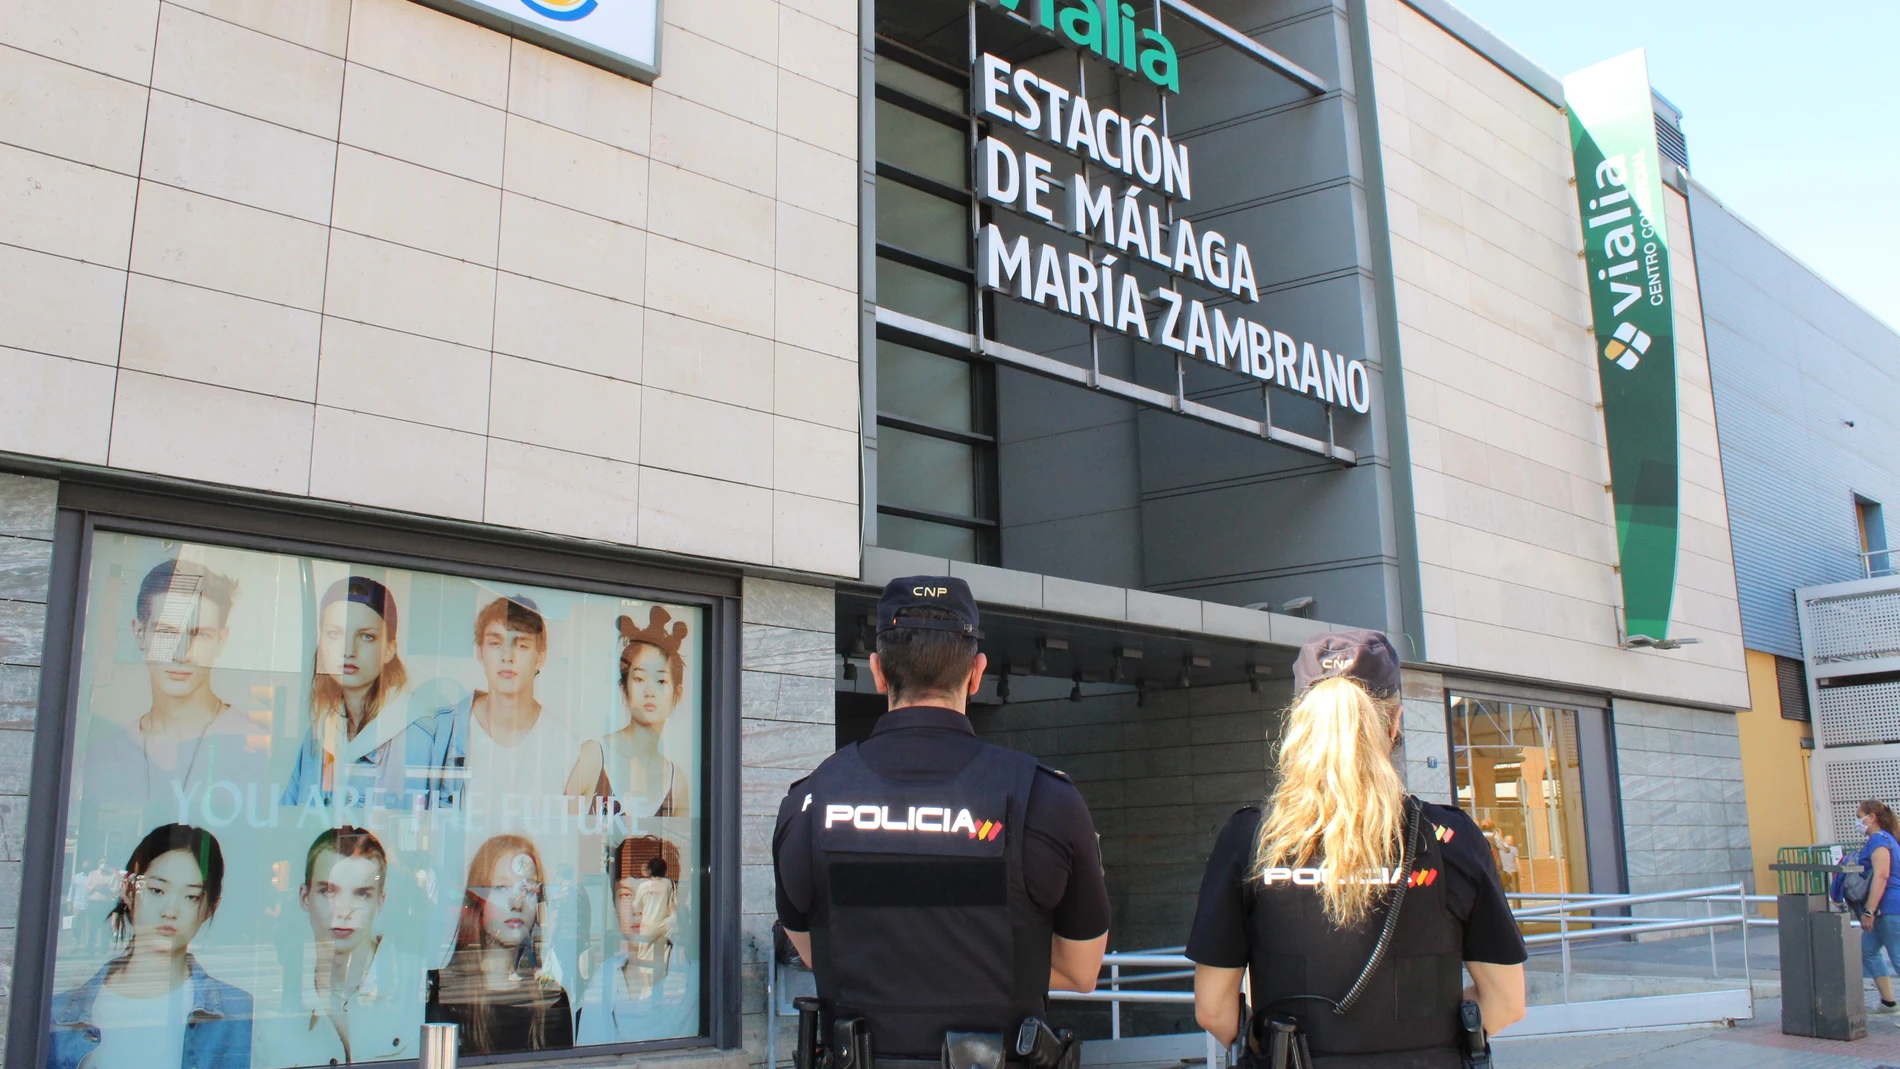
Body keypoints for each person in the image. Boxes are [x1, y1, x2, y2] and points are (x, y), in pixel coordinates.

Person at [773, 576, 1111, 1061]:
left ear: (878, 672)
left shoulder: (808, 802)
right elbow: (1082, 971)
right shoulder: (1045, 798)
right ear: (976, 673)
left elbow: (819, 954)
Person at [1188, 631, 1527, 1067]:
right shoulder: (1450, 839)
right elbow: (1507, 1002)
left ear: (1300, 724)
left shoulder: (1253, 839)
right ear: (1395, 721)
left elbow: (1212, 1008)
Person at [47, 823, 251, 1069]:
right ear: (129, 891)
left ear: (210, 908)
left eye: (191, 896)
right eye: (157, 890)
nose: (170, 911)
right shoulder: (59, 1014)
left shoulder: (239, 1014)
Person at [81, 560, 263, 816]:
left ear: (221, 641)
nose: (182, 654)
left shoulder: (253, 745)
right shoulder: (104, 756)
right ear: (139, 632)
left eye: (199, 634)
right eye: (167, 632)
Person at [253, 826, 420, 1066]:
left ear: (379, 902)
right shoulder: (271, 1013)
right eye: (329, 891)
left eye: (361, 894)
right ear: (304, 897)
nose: (343, 910)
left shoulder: (415, 989)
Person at [428, 834, 574, 1055]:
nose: (516, 902)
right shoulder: (441, 994)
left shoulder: (552, 1000)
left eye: (528, 889)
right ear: (478, 899)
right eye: (501, 887)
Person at [281, 578, 417, 809]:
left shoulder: (417, 734)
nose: (348, 651)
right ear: (321, 643)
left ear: (389, 650)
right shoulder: (317, 736)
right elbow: (288, 822)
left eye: (366, 636)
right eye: (335, 634)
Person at [572, 607, 693, 819]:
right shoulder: (594, 756)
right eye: (639, 678)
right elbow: (560, 837)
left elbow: (681, 849)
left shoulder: (677, 782)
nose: (649, 691)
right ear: (624, 689)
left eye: (661, 681)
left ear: (677, 694)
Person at [575, 836, 697, 1043]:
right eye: (625, 895)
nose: (636, 908)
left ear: (672, 899)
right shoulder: (604, 980)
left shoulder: (696, 980)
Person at [1833, 799, 1900, 1015]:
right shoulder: (1887, 839)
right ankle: (1888, 1002)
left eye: (1859, 815)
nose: (1856, 820)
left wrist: (1869, 911)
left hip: (1888, 909)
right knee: (1868, 950)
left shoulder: (1878, 841)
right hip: (1884, 910)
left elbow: (1881, 876)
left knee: (1898, 957)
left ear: (1872, 818)